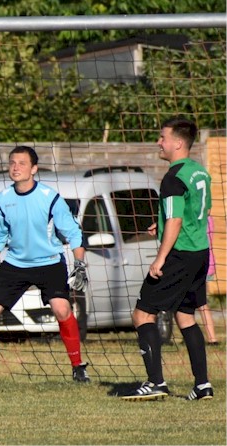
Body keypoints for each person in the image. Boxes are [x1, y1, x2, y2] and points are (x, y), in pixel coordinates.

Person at [0, 146, 90, 384]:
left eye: (22, 163)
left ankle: (78, 367)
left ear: (33, 169)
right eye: (12, 162)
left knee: (62, 309)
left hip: (49, 263)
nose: (16, 167)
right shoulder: (2, 199)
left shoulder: (50, 197)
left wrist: (79, 264)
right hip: (15, 264)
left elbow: (74, 233)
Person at [121, 117, 214, 401]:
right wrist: (160, 225)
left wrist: (160, 258)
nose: (158, 142)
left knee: (142, 314)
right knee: (185, 316)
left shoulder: (173, 178)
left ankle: (155, 382)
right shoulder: (199, 172)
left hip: (179, 254)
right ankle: (202, 385)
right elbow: (194, 211)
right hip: (199, 252)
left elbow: (175, 219)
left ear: (178, 143)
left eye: (163, 137)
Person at [198, 215, 218, 345]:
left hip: (200, 265)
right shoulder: (209, 219)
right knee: (194, 302)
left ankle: (212, 338)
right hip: (208, 264)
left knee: (201, 303)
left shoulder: (198, 220)